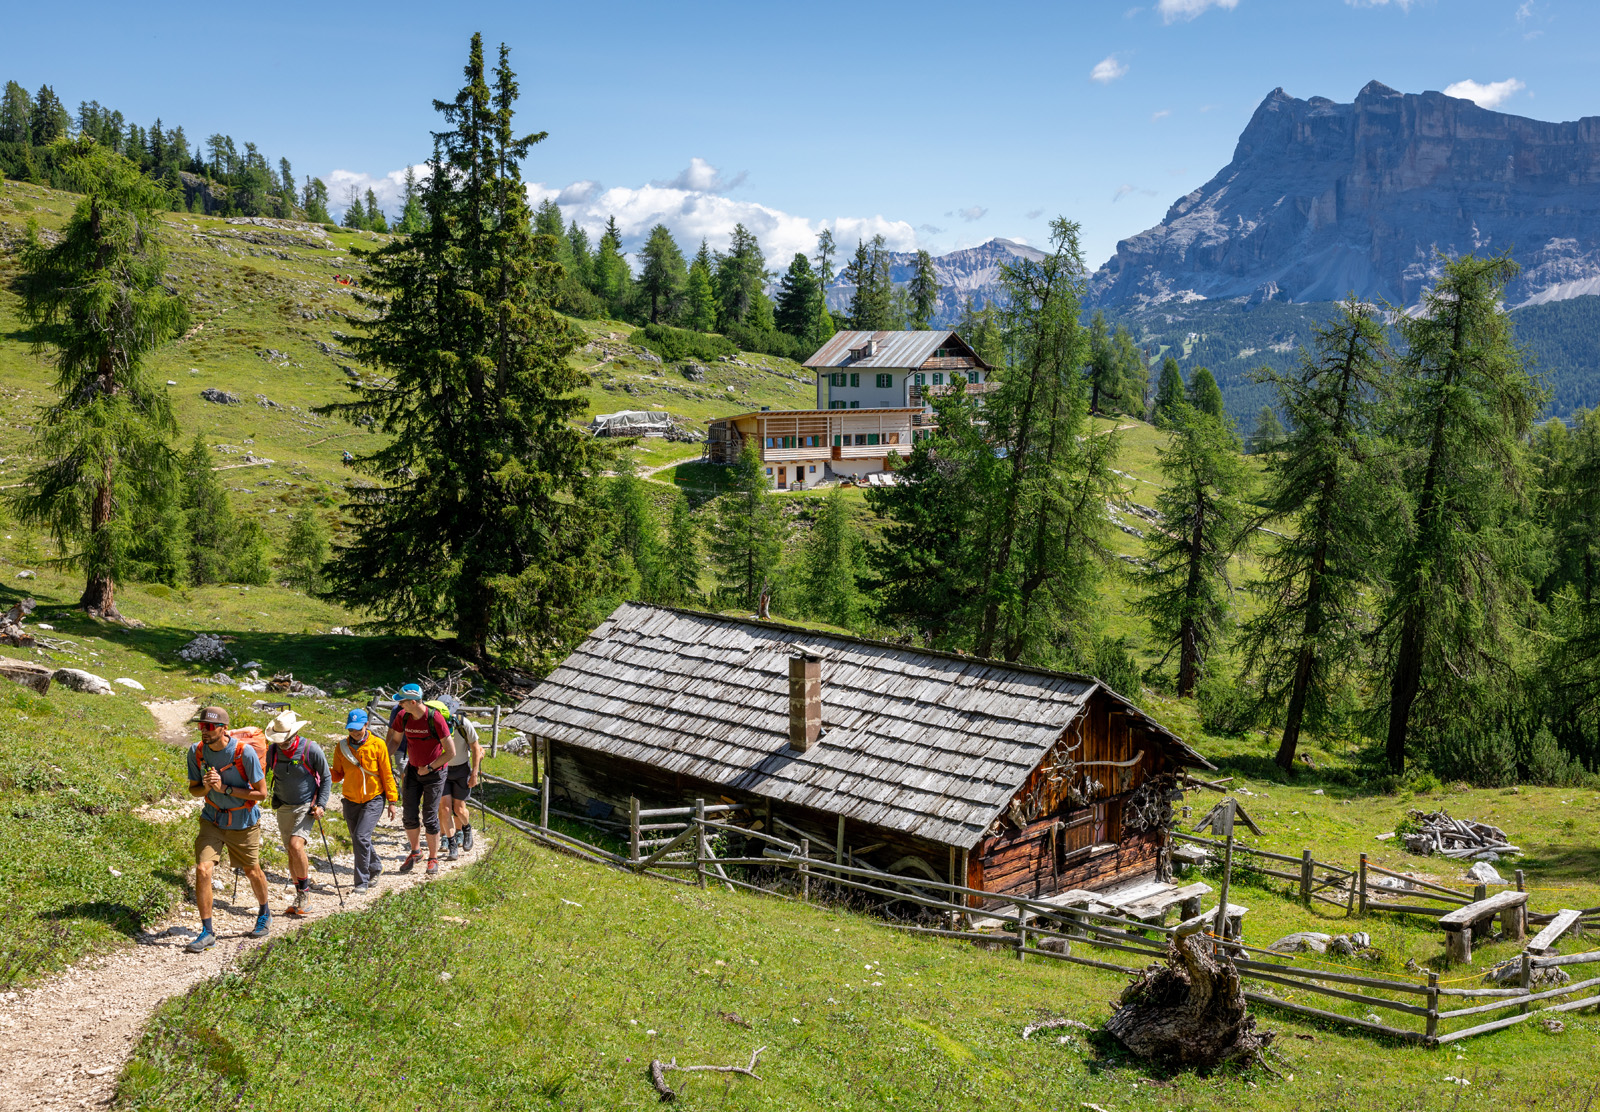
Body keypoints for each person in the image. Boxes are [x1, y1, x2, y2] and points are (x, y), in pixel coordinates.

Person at [185, 706, 271, 952]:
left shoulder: (245, 754)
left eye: (210, 727)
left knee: (252, 871)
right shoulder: (196, 752)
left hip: (243, 823)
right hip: (212, 820)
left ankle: (265, 912)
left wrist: (226, 789)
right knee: (203, 869)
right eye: (202, 726)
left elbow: (262, 793)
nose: (204, 731)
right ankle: (207, 931)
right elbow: (194, 790)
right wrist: (207, 787)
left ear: (223, 729)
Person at [265, 709, 331, 918]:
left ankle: (305, 894)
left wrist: (321, 804)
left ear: (294, 734)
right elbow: (261, 772)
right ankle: (299, 896)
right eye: (279, 741)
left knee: (296, 845)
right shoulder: (273, 751)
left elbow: (326, 778)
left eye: (285, 741)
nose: (282, 745)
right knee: (291, 851)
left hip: (306, 805)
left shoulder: (311, 749)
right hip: (283, 805)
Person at [386, 683, 454, 876]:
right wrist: (382, 760)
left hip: (435, 772)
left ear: (414, 702)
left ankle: (433, 858)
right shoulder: (403, 717)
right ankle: (416, 852)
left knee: (430, 816)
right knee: (408, 814)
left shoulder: (435, 719)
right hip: (414, 770)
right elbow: (396, 741)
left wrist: (430, 767)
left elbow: (451, 752)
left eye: (403, 702)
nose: (399, 705)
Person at [330, 708, 396, 894]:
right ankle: (375, 866)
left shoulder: (378, 744)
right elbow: (337, 775)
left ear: (366, 725)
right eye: (351, 730)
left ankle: (361, 882)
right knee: (359, 838)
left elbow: (387, 774)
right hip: (350, 799)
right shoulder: (341, 747)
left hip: (374, 798)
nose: (355, 733)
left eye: (358, 729)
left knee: (360, 837)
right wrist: (324, 771)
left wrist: (392, 801)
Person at [433, 703, 484, 862]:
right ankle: (451, 843)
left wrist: (474, 773)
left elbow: (476, 748)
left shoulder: (462, 722)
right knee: (445, 808)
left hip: (461, 770)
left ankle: (466, 828)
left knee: (459, 809)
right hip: (442, 769)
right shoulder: (432, 724)